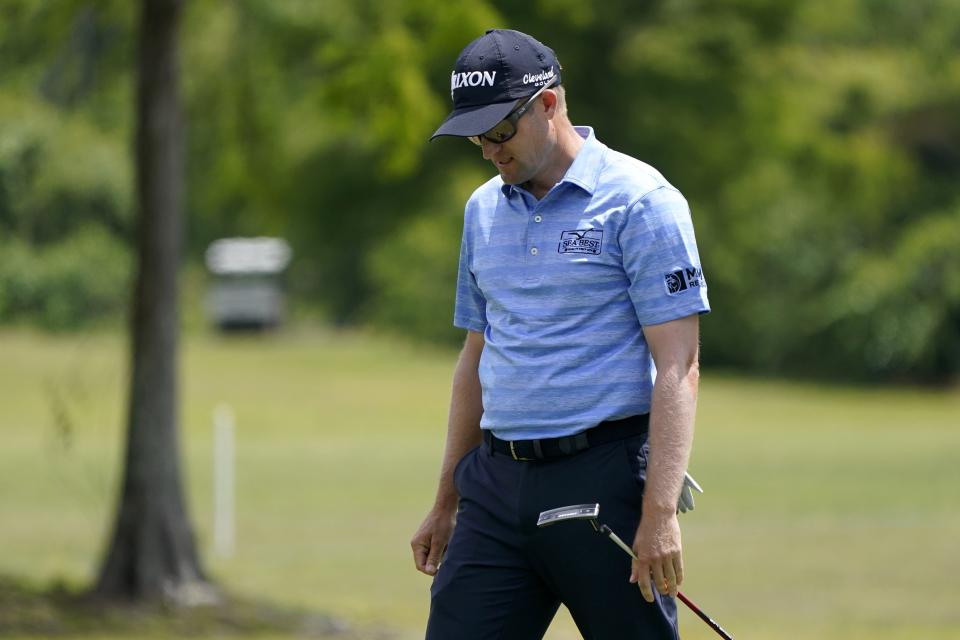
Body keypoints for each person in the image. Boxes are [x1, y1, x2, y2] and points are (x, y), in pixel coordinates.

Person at [410, 28, 710, 640]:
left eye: (500, 131)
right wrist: (447, 501)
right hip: (494, 484)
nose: (490, 151)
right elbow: (476, 356)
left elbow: (678, 364)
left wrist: (657, 515)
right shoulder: (482, 210)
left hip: (603, 479)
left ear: (549, 104)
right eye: (476, 136)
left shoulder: (641, 201)